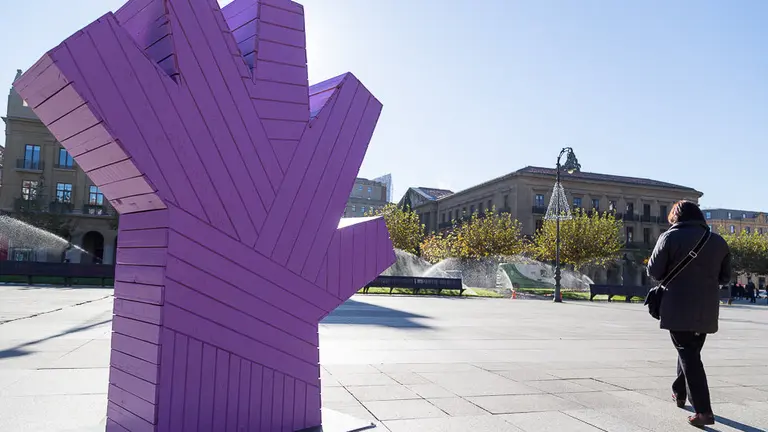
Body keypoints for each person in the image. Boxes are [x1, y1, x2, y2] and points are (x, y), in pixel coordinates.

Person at [647, 200, 731, 428]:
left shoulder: (669, 237)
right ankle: (679, 392)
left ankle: (703, 411)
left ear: (676, 216)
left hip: (677, 304)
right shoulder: (718, 241)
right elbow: (725, 278)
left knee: (688, 354)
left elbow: (654, 271)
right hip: (706, 307)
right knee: (689, 350)